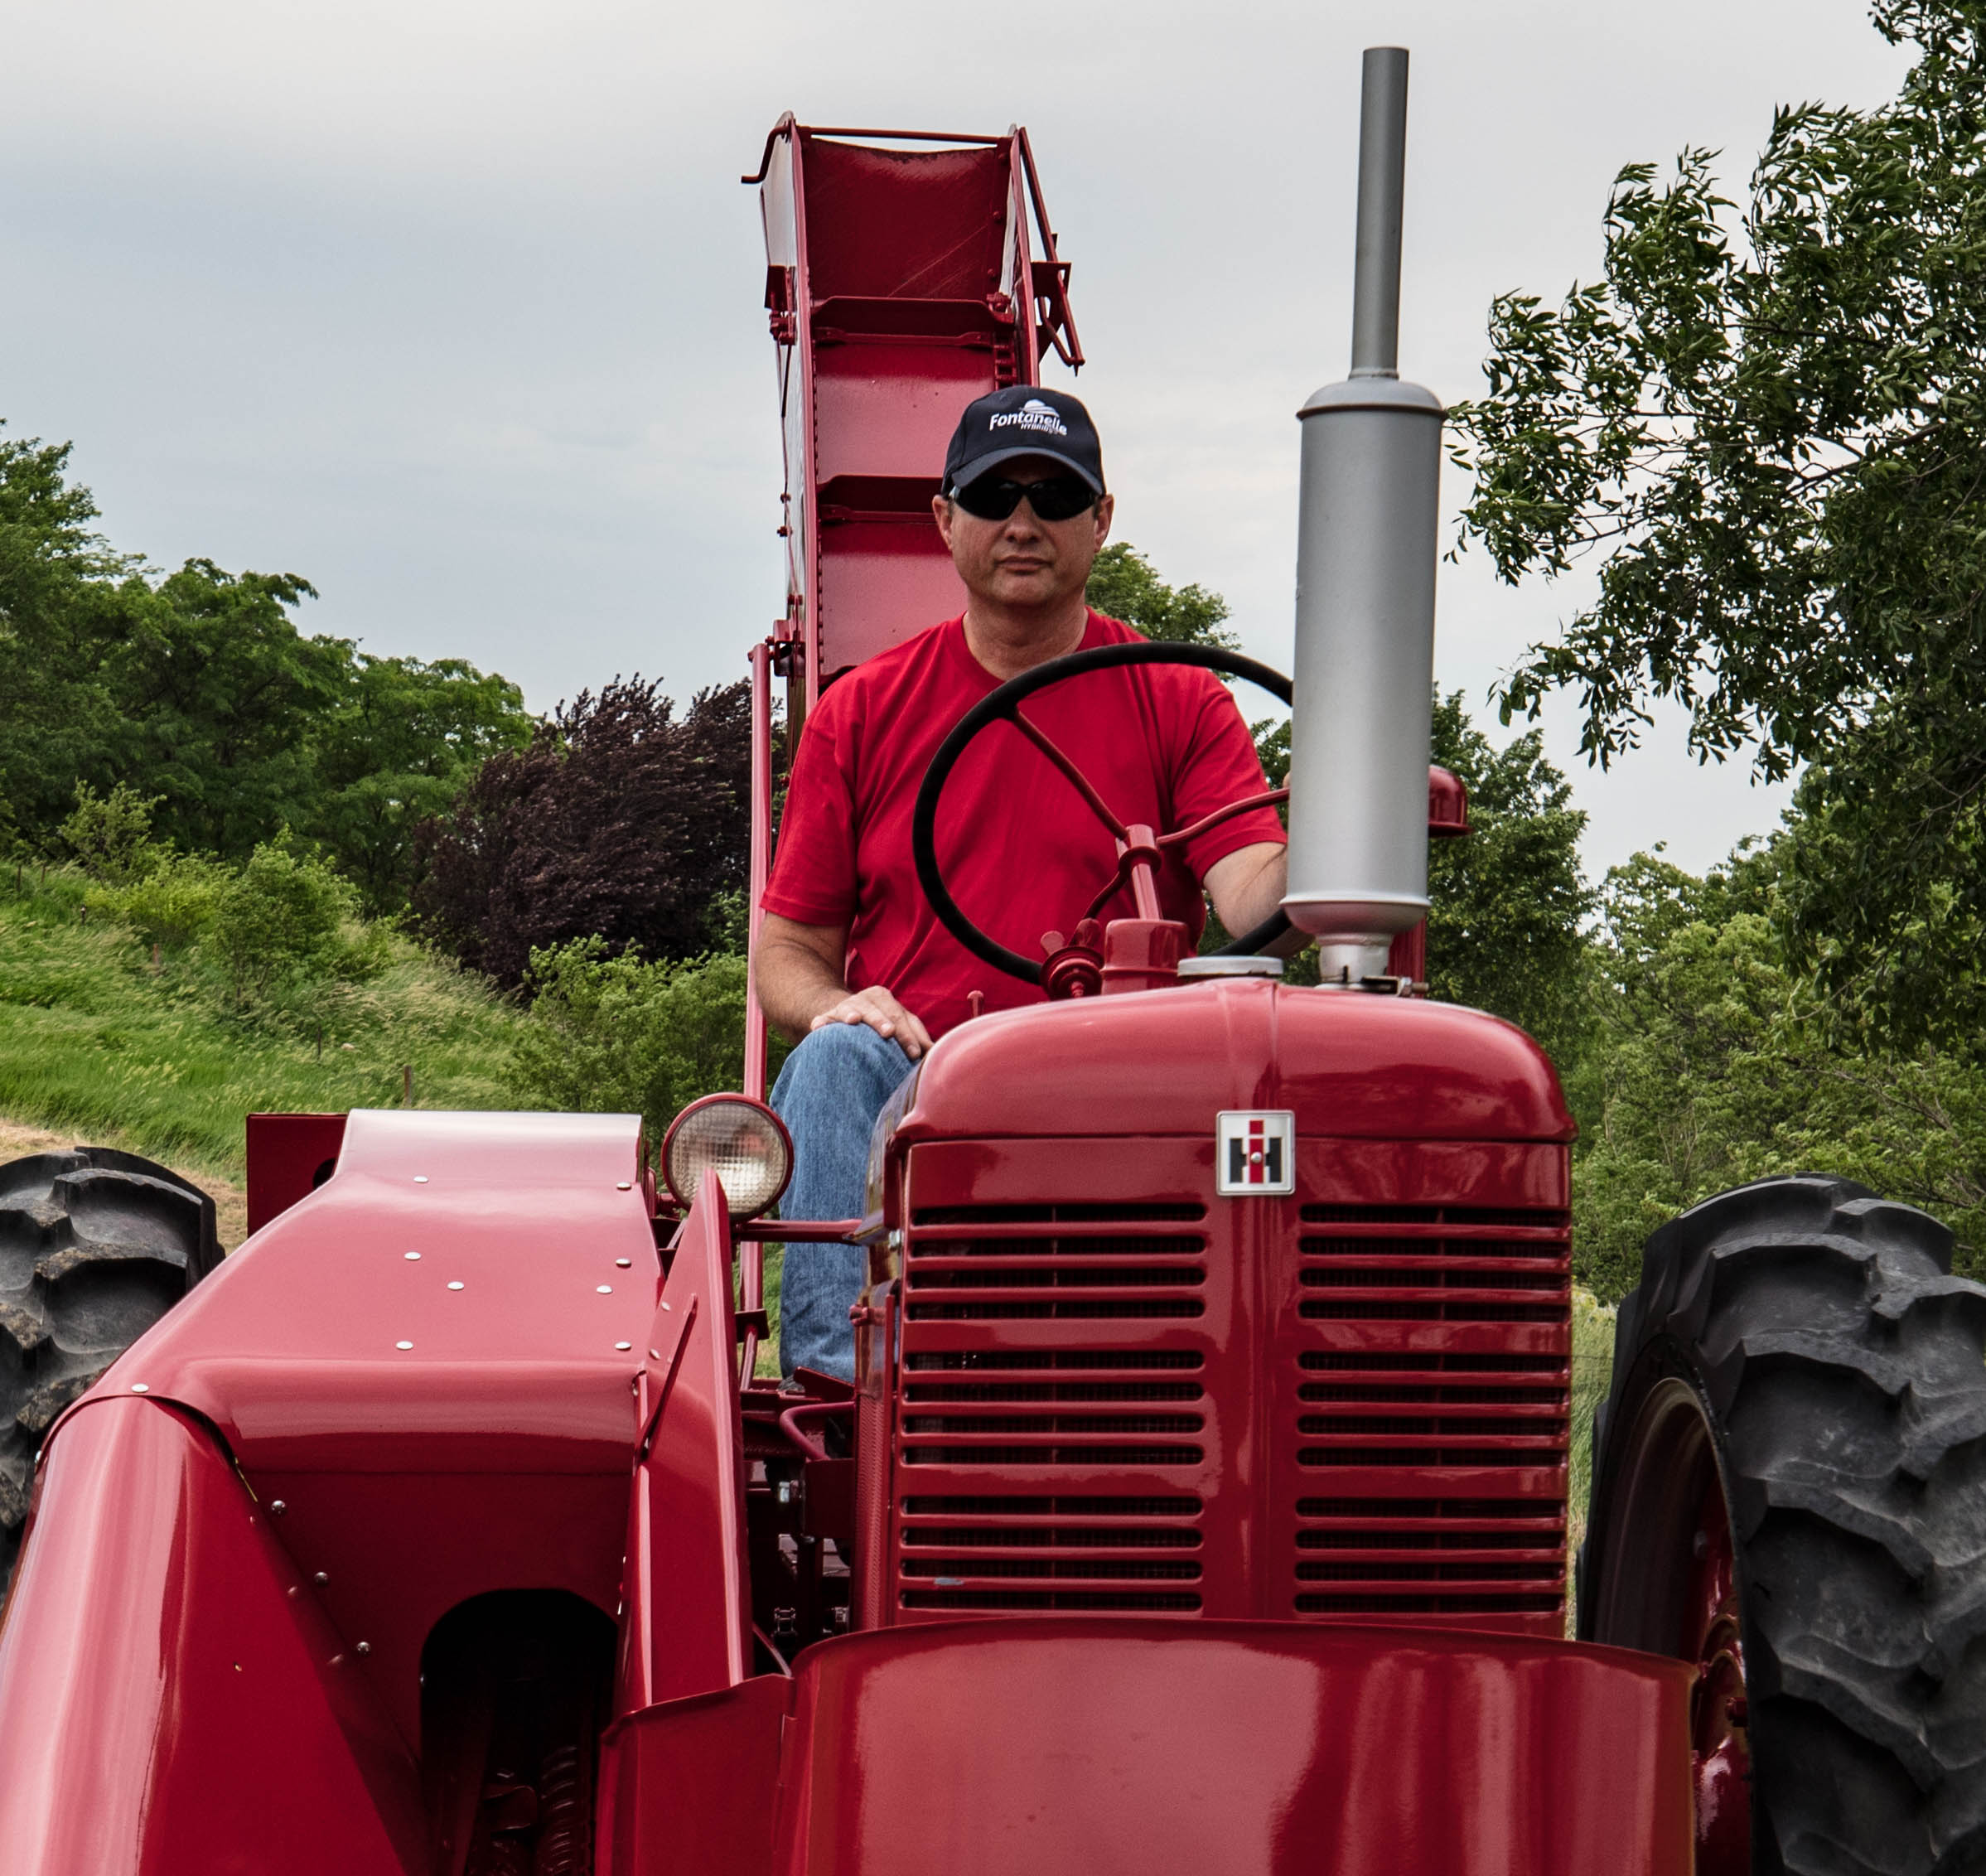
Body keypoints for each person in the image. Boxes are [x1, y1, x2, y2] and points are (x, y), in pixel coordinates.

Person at [755, 385, 1289, 1380]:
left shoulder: (1179, 697)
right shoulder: (862, 711)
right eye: (997, 496)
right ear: (946, 519)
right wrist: (837, 1005)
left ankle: (1212, 1382)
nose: (1024, 523)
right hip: (918, 1076)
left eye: (1055, 497)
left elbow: (1255, 890)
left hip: (1127, 1075)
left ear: (1102, 521)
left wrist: (1339, 831)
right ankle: (842, 1399)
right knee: (831, 1063)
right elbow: (786, 956)